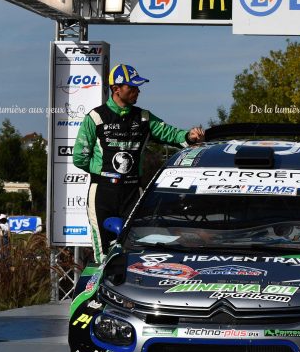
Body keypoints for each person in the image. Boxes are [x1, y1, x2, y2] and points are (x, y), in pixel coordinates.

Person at [73, 63, 205, 261]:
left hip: (133, 192)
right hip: (102, 192)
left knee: (136, 246)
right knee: (103, 252)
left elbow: (170, 133)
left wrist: (189, 135)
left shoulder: (144, 117)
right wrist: (103, 172)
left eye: (138, 86)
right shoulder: (96, 117)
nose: (137, 91)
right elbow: (79, 158)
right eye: (132, 87)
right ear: (116, 89)